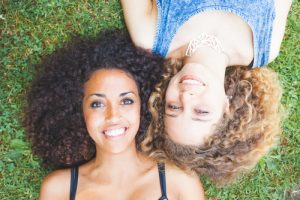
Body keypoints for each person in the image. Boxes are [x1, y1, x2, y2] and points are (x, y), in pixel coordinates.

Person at [120, 0, 292, 183]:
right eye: (201, 111)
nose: (186, 97)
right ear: (228, 107)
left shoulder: (150, 35)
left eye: (174, 107)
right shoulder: (265, 44)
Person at [24, 29, 204, 199]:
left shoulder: (181, 182)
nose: (113, 116)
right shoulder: (58, 189)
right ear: (78, 110)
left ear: (144, 106)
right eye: (97, 104)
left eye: (126, 101)